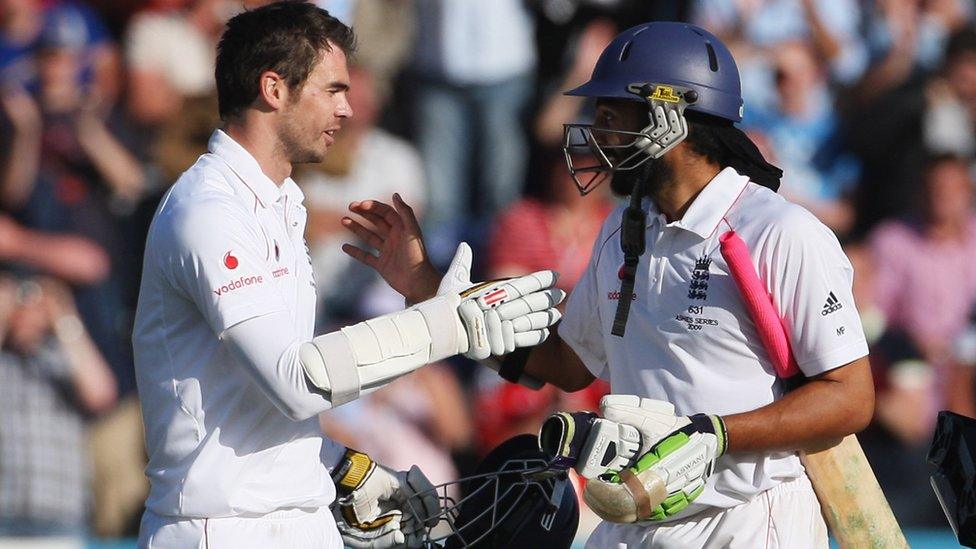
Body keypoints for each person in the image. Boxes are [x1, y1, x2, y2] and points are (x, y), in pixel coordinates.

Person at [354, 22, 874, 547]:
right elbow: (568, 363)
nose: (595, 134)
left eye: (609, 116)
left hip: (745, 519)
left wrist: (715, 436)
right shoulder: (622, 228)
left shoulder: (779, 233)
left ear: (669, 119)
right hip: (635, 517)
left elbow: (850, 398)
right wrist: (429, 291)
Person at [131, 3, 563, 548]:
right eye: (332, 90)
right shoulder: (208, 211)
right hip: (222, 529)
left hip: (295, 518)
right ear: (273, 89)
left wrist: (343, 467)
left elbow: (257, 397)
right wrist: (448, 325)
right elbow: (294, 381)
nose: (349, 108)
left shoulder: (280, 201)